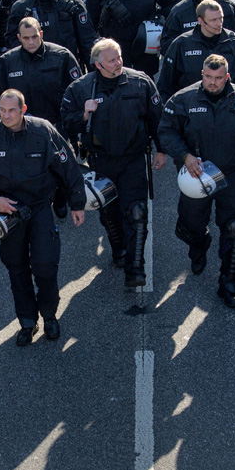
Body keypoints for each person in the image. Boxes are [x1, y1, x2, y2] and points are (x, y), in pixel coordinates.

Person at [158, 54, 235, 308]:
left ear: (228, 77)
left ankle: (229, 282)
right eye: (209, 77)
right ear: (202, 75)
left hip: (231, 173)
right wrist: (184, 155)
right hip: (195, 174)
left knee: (234, 226)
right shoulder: (183, 99)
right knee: (190, 225)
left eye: (219, 78)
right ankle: (199, 245)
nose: (213, 83)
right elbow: (165, 130)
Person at [0, 89, 85, 345]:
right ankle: (27, 322)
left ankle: (49, 316)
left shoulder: (43, 131)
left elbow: (68, 167)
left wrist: (77, 203)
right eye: (2, 110)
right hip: (8, 213)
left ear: (23, 110)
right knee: (16, 268)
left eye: (12, 110)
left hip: (39, 207)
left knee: (45, 266)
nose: (6, 115)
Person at [61, 39, 165, 287]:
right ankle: (118, 249)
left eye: (119, 57)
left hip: (133, 160)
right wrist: (83, 114)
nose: (118, 63)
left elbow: (157, 119)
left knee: (137, 213)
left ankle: (136, 268)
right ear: (97, 64)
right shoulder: (79, 89)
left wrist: (161, 150)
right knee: (109, 213)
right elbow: (68, 124)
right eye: (111, 60)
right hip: (101, 161)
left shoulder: (141, 82)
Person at [158, 0, 235, 101]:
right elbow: (166, 83)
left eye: (221, 18)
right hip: (191, 106)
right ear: (201, 21)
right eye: (213, 20)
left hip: (229, 106)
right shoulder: (181, 44)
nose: (219, 24)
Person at [0, 17, 83, 124]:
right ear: (19, 38)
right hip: (19, 126)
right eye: (26, 38)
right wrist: (13, 115)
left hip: (58, 124)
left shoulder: (62, 57)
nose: (31, 42)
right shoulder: (6, 62)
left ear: (41, 34)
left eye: (35, 37)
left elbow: (78, 91)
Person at [6, 0, 98, 66]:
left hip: (67, 64)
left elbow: (87, 39)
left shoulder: (73, 4)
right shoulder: (22, 7)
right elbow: (12, 41)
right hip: (33, 65)